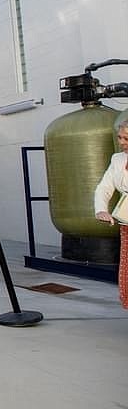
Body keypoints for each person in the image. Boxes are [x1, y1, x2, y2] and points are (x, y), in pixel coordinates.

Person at [94, 119, 128, 309]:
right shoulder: (117, 159)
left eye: (126, 138)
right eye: (119, 137)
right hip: (126, 224)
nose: (122, 142)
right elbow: (104, 187)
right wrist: (101, 209)